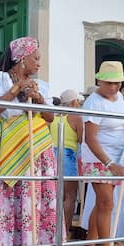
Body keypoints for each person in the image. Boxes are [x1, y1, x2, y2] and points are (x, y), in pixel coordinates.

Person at [0, 36, 66, 246]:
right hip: (10, 147)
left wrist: (37, 98)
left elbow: (48, 118)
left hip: (37, 149)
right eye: (35, 58)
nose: (39, 64)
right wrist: (16, 90)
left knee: (34, 203)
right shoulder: (1, 79)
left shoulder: (41, 85)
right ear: (21, 58)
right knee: (9, 202)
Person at [80, 61, 124, 246]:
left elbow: (123, 118)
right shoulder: (93, 103)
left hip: (118, 157)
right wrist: (110, 165)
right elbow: (90, 138)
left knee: (102, 204)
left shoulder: (119, 98)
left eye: (117, 83)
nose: (113, 87)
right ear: (99, 80)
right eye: (109, 83)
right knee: (107, 204)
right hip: (98, 158)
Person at [51, 89, 83, 235]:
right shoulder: (75, 116)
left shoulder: (53, 116)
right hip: (67, 155)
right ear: (74, 102)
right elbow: (82, 139)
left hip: (52, 155)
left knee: (55, 195)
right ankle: (65, 232)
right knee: (69, 197)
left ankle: (54, 230)